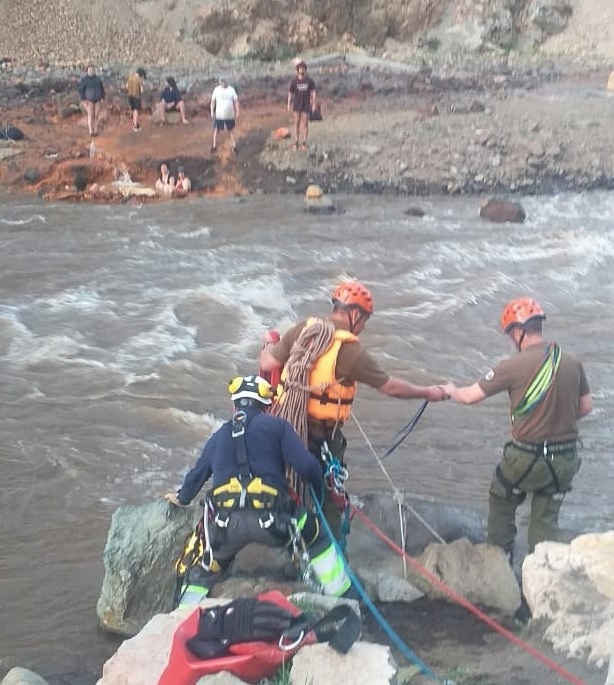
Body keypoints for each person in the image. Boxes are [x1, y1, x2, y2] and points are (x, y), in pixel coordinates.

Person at [259, 281, 449, 539]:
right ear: (355, 314)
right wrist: (429, 392)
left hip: (284, 430)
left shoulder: (304, 329)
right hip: (322, 438)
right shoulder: (350, 350)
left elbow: (267, 361)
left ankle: (288, 544)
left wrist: (270, 343)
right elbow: (390, 387)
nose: (362, 329)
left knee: (289, 488)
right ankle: (333, 556)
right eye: (364, 322)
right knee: (330, 499)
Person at [164, 375, 353, 606]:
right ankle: (342, 597)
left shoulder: (218, 436)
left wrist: (180, 497)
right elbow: (307, 466)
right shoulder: (277, 427)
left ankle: (184, 612)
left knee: (203, 564)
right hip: (275, 523)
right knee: (317, 536)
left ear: (234, 405)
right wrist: (316, 491)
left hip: (225, 527)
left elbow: (194, 480)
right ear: (268, 406)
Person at [442, 297, 592, 560]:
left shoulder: (510, 366)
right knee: (546, 514)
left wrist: (449, 390)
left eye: (511, 334)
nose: (511, 339)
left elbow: (469, 396)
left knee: (501, 495)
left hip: (526, 459)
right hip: (565, 461)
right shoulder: (571, 361)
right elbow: (585, 407)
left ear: (518, 331)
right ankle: (541, 567)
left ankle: (500, 558)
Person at [287, 60, 317, 151]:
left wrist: (314, 103)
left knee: (305, 124)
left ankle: (304, 142)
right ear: (297, 70)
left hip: (306, 105)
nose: (301, 70)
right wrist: (288, 104)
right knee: (296, 124)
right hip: (296, 106)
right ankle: (296, 142)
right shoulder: (294, 81)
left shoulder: (310, 81)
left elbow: (313, 92)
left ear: (305, 70)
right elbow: (290, 93)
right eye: (300, 68)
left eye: (303, 68)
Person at [210, 75, 239, 154]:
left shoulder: (231, 90)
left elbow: (236, 101)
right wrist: (212, 111)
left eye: (224, 81)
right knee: (217, 130)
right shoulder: (216, 90)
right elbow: (213, 101)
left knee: (231, 131)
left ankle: (234, 146)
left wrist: (237, 111)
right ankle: (214, 146)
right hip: (219, 115)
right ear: (220, 82)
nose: (223, 83)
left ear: (226, 81)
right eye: (221, 82)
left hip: (229, 114)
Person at [78, 65, 105, 137]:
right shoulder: (84, 80)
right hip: (89, 100)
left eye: (92, 70)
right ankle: (91, 131)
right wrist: (84, 99)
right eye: (90, 70)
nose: (91, 71)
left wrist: (102, 97)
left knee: (96, 115)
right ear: (87, 71)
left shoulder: (98, 79)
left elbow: (102, 89)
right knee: (90, 115)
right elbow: (81, 90)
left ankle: (96, 130)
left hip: (98, 99)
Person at [126, 67, 146, 132]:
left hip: (130, 96)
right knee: (136, 110)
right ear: (141, 74)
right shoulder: (139, 80)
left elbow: (126, 87)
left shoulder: (130, 77)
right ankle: (135, 125)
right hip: (136, 96)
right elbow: (142, 90)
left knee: (133, 110)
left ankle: (135, 123)